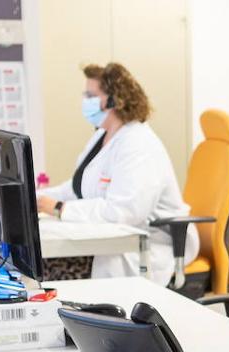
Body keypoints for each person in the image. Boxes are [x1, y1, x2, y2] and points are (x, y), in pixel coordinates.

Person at [36, 62, 195, 287]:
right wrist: (37, 198)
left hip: (148, 243)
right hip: (113, 237)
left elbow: (125, 211)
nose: (85, 101)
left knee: (51, 268)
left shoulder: (138, 144)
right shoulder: (103, 136)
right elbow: (76, 188)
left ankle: (78, 318)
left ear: (114, 100)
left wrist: (60, 208)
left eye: (91, 95)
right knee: (43, 262)